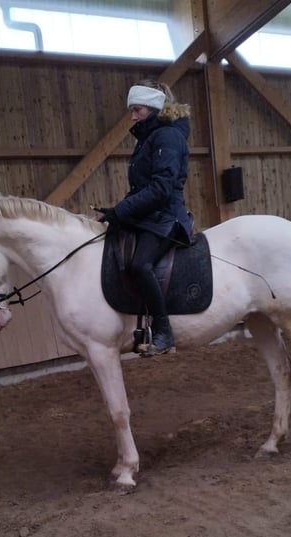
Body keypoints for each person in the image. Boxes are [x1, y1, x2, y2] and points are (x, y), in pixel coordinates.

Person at [99, 79, 193, 355]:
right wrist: (117, 211)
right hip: (151, 216)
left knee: (140, 265)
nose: (133, 117)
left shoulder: (168, 137)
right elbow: (142, 189)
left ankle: (164, 331)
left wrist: (123, 210)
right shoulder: (149, 138)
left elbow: (161, 189)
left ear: (153, 108)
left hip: (168, 217)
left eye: (137, 110)